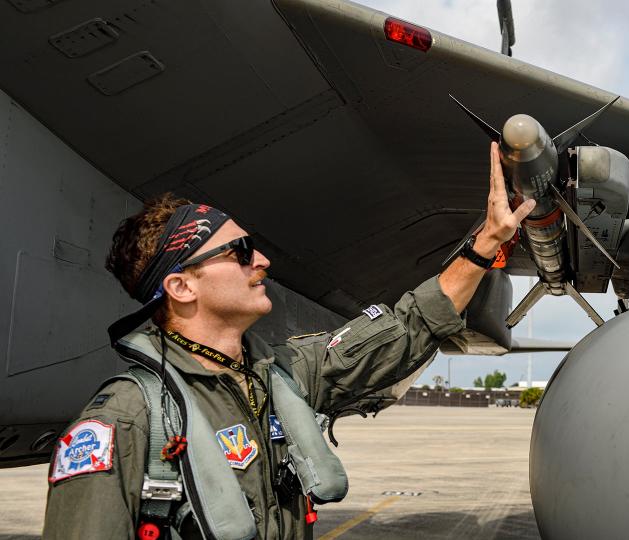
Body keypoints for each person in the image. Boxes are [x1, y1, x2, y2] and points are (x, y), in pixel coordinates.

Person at [42, 143, 535, 539]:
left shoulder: (284, 377)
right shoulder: (123, 423)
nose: (262, 261)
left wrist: (486, 242)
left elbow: (410, 327)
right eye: (239, 252)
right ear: (181, 286)